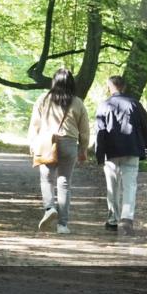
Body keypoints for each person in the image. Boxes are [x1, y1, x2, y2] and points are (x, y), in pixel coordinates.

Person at [28, 67, 90, 234]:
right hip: (70, 143)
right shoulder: (77, 102)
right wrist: (83, 148)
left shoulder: (43, 99)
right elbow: (84, 129)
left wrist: (33, 144)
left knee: (46, 179)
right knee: (64, 183)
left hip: (47, 142)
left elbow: (35, 125)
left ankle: (49, 208)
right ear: (71, 83)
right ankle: (62, 225)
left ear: (54, 82)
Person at [95, 75, 147, 236]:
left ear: (109, 87)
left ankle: (113, 220)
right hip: (132, 149)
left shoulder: (104, 105)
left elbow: (100, 131)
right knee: (130, 186)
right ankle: (127, 218)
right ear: (124, 87)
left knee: (112, 186)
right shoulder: (135, 104)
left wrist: (100, 155)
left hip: (111, 152)